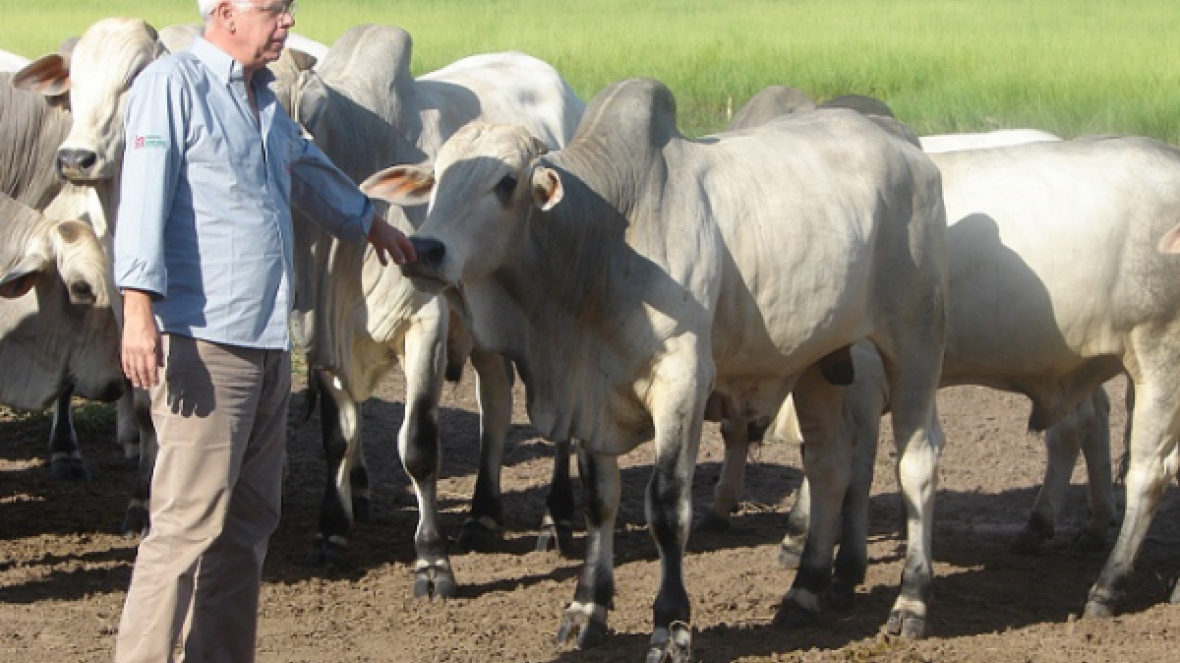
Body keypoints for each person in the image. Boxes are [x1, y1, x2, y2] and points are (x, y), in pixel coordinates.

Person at [111, 1, 415, 661]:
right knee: (185, 527)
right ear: (225, 13)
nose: (288, 23)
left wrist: (370, 220)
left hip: (267, 341)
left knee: (248, 524)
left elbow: (306, 171)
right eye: (274, 10)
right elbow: (141, 199)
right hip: (202, 342)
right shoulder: (172, 87)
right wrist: (138, 310)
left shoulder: (266, 100)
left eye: (289, 10)